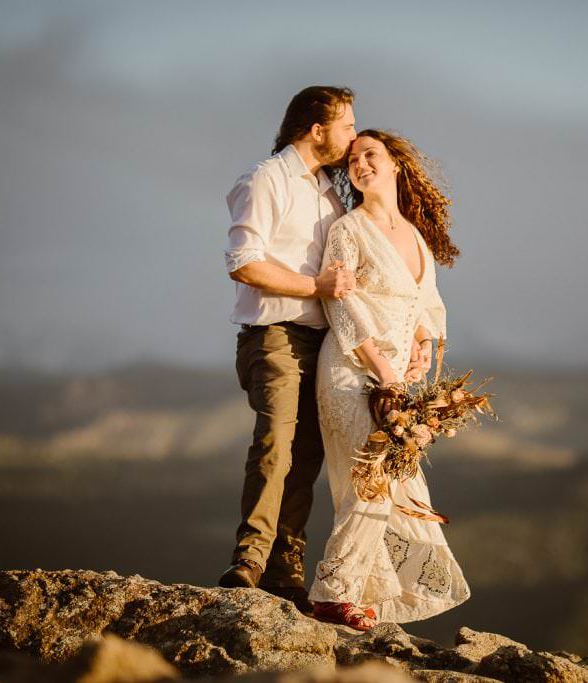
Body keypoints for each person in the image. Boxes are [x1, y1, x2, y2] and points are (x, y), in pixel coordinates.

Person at [309, 130, 470, 630]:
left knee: (396, 484)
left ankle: (362, 594)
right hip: (350, 371)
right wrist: (384, 375)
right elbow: (341, 303)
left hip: (396, 379)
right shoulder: (348, 230)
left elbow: (425, 305)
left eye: (370, 155)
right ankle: (332, 594)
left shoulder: (415, 235)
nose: (360, 165)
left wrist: (424, 345)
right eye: (353, 160)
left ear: (397, 165)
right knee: (370, 480)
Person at [217, 86, 360, 615]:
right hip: (273, 333)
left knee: (307, 458)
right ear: (316, 128)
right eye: (346, 125)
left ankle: (284, 570)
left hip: (324, 341)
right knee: (275, 441)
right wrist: (315, 288)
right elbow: (243, 261)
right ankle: (248, 561)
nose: (352, 134)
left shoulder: (330, 191)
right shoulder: (263, 179)